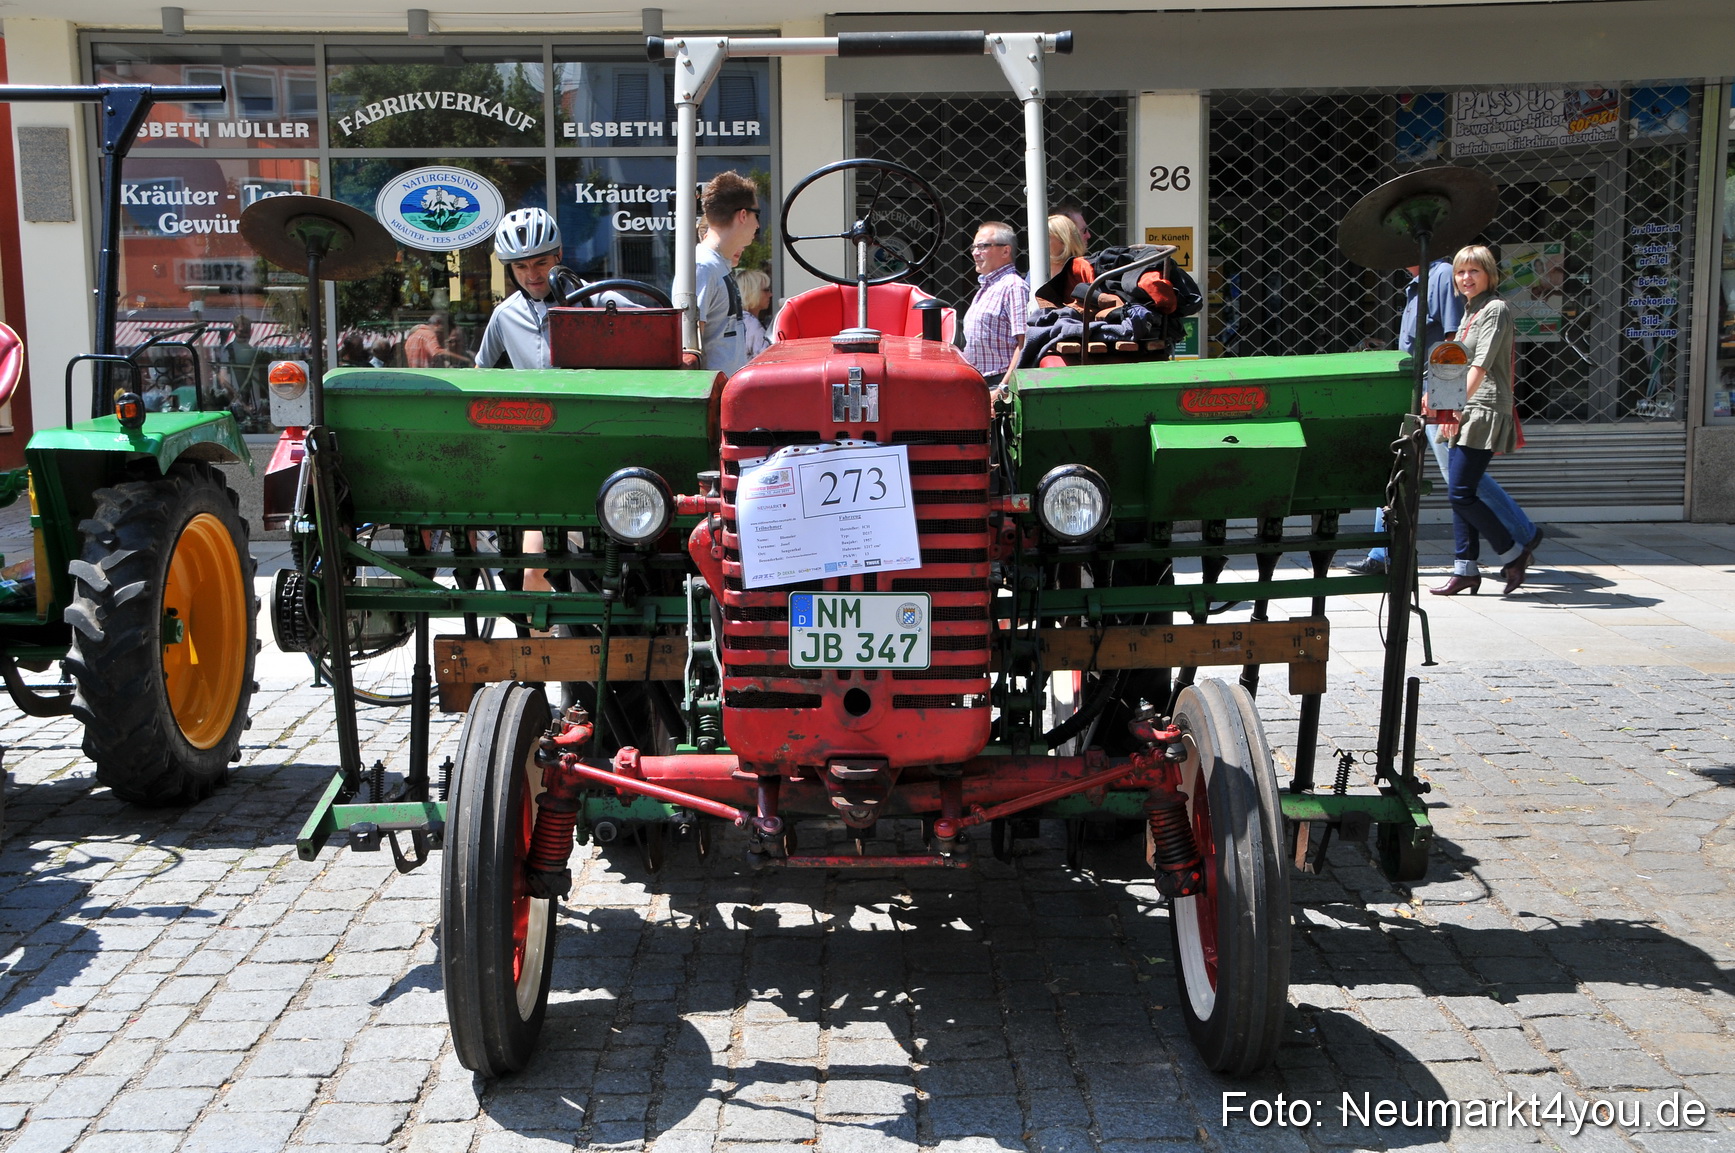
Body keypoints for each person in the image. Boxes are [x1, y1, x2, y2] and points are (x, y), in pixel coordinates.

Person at [1344, 260, 1541, 576]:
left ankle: (1522, 534)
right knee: (1400, 466)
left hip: (1437, 395)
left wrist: (1448, 402)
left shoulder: (1440, 277)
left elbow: (1454, 345)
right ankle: (1383, 553)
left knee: (1457, 478)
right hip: (1419, 392)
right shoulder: (1418, 283)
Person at [1432, 245, 1535, 596]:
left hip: (1483, 408)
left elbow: (1481, 365)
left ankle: (1513, 554)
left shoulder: (1495, 309)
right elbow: (1455, 363)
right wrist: (1441, 403)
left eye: (1473, 271)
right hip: (1464, 408)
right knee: (1462, 491)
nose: (1465, 278)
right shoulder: (1469, 311)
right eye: (1461, 272)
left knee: (1461, 493)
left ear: (1489, 274)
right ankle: (1465, 569)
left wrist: (1455, 407)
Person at [475, 210, 567, 370]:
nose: (532, 275)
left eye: (541, 263)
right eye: (521, 266)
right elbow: (480, 370)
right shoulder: (504, 314)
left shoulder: (598, 301)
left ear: (558, 254)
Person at [693, 171, 760, 376]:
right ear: (742, 215)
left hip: (726, 396)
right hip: (711, 399)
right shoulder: (702, 266)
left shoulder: (718, 264)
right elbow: (689, 349)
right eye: (756, 215)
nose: (757, 225)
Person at [962, 221, 1028, 387]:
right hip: (979, 383)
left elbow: (1024, 344)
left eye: (983, 246)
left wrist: (1002, 389)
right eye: (974, 247)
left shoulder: (1013, 286)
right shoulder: (988, 287)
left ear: (1006, 250)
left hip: (998, 384)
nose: (975, 253)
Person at [1034, 214, 1095, 309]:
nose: (1038, 242)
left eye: (1046, 237)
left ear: (1063, 240)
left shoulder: (1080, 266)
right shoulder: (1036, 270)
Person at [735, 267, 772, 357]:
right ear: (752, 292)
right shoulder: (751, 324)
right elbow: (766, 359)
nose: (771, 294)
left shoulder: (736, 320)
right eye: (766, 290)